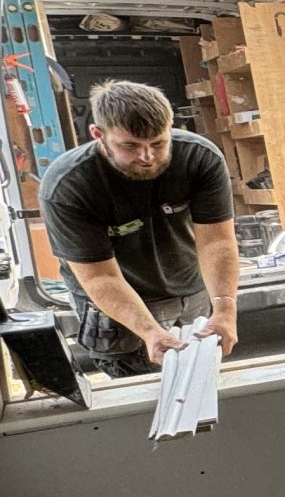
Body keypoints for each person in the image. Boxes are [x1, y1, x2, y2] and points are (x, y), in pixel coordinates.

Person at [39, 80, 241, 374]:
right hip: (119, 303)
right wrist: (149, 331)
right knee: (140, 391)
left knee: (198, 382)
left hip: (190, 290)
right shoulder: (69, 185)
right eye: (130, 146)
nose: (147, 157)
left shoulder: (199, 158)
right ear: (98, 134)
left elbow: (216, 241)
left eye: (158, 144)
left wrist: (224, 307)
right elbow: (99, 277)